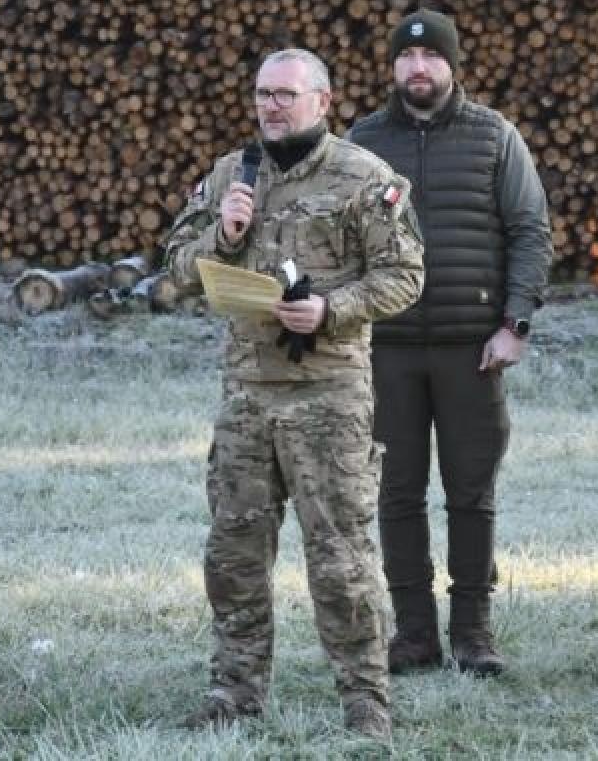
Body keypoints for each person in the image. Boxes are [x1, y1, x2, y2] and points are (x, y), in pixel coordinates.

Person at [163, 48, 425, 742]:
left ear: (322, 100)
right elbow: (174, 267)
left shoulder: (363, 178)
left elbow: (403, 275)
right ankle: (234, 693)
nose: (271, 105)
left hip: (328, 395)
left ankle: (366, 703)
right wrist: (224, 233)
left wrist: (332, 309)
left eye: (285, 94)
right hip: (247, 394)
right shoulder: (230, 175)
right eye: (262, 93)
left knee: (341, 560)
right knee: (234, 553)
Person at [346, 8, 553, 677]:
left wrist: (515, 321)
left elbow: (530, 232)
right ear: (392, 68)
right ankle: (413, 634)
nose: (418, 68)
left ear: (452, 65)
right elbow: (339, 239)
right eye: (407, 58)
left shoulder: (495, 137)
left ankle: (473, 632)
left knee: (471, 492)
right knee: (397, 494)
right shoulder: (363, 142)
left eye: (431, 57)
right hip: (387, 349)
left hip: (475, 348)